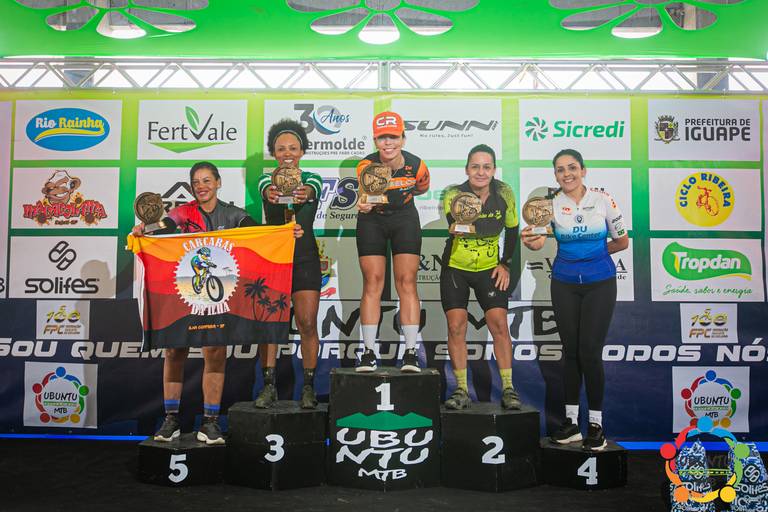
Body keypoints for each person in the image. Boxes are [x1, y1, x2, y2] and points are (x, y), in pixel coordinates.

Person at [131, 161, 303, 445]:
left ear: (218, 183)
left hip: (220, 297)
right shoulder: (181, 213)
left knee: (215, 351)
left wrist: (287, 233)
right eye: (196, 182)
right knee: (174, 351)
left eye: (207, 180)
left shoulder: (234, 214)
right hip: (183, 291)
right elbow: (162, 229)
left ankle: (210, 422)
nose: (201, 186)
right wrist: (144, 230)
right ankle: (171, 419)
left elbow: (260, 235)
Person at [521, 148, 628, 451]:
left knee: (589, 353)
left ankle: (595, 425)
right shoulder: (550, 205)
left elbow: (622, 241)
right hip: (564, 284)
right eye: (560, 170)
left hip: (600, 284)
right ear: (555, 175)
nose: (566, 174)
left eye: (571, 168)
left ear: (583, 170)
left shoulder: (603, 200)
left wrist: (592, 256)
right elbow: (537, 241)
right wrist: (531, 240)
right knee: (569, 353)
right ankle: (571, 425)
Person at [441, 144, 521, 410]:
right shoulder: (453, 193)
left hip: (489, 267)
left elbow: (512, 230)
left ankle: (508, 388)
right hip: (456, 267)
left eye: (487, 167)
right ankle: (461, 389)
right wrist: (468, 226)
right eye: (475, 166)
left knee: (499, 324)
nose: (481, 172)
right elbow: (456, 225)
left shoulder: (505, 192)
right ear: (467, 169)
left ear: (494, 169)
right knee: (456, 326)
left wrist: (505, 264)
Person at [254, 119, 323, 409]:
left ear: (302, 151)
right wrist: (273, 191)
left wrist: (304, 191)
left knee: (307, 323)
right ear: (273, 152)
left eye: (293, 148)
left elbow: (311, 189)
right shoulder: (265, 181)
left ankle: (308, 388)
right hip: (274, 261)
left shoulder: (313, 178)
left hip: (305, 260)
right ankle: (269, 387)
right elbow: (267, 191)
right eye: (281, 148)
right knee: (270, 327)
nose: (287, 153)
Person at [355, 111, 430, 373]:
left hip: (404, 219)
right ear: (375, 140)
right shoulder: (365, 165)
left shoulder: (418, 166)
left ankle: (410, 353)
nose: (388, 143)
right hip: (372, 220)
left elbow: (421, 188)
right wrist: (364, 204)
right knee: (372, 281)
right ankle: (368, 353)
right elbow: (364, 194)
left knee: (406, 282)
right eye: (382, 138)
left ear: (403, 139)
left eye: (394, 137)